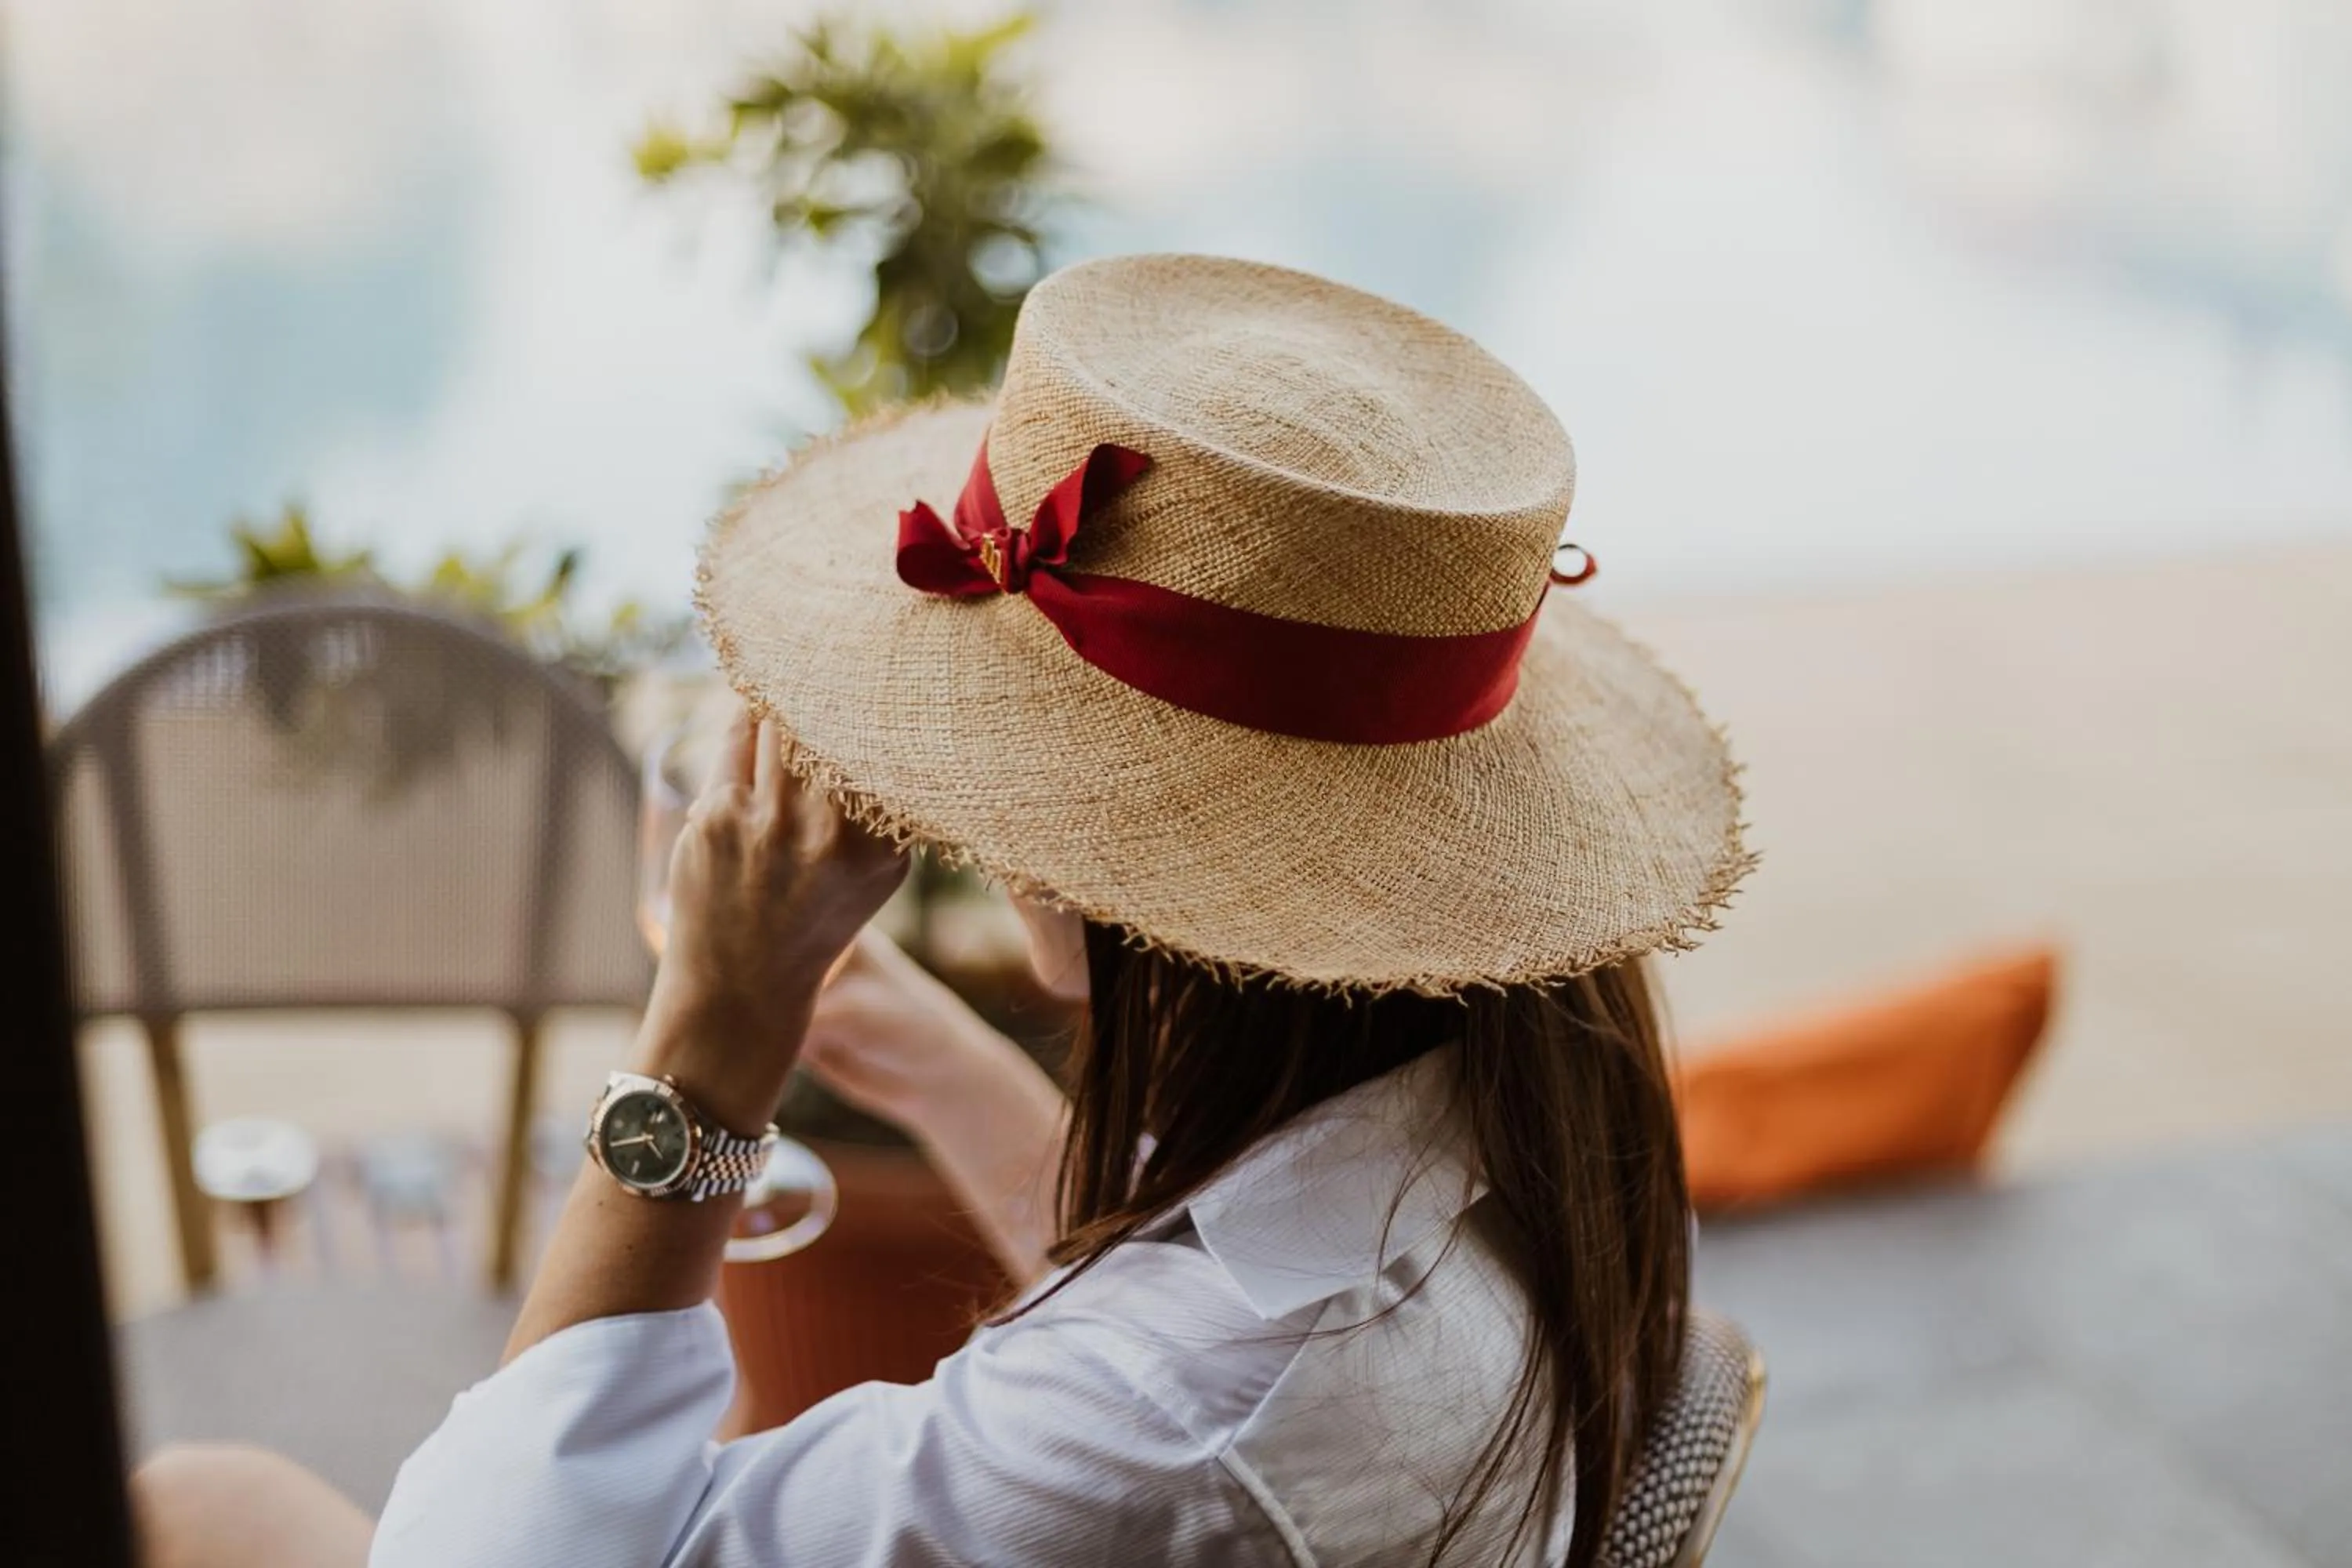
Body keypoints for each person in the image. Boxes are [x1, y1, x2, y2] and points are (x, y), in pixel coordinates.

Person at [132, 254, 1750, 1567]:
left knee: (177, 1505)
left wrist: (702, 1058)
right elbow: (1206, 1260)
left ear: (1076, 849)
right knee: (213, 1505)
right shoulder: (1531, 1120)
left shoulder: (1152, 1429)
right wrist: (901, 1050)